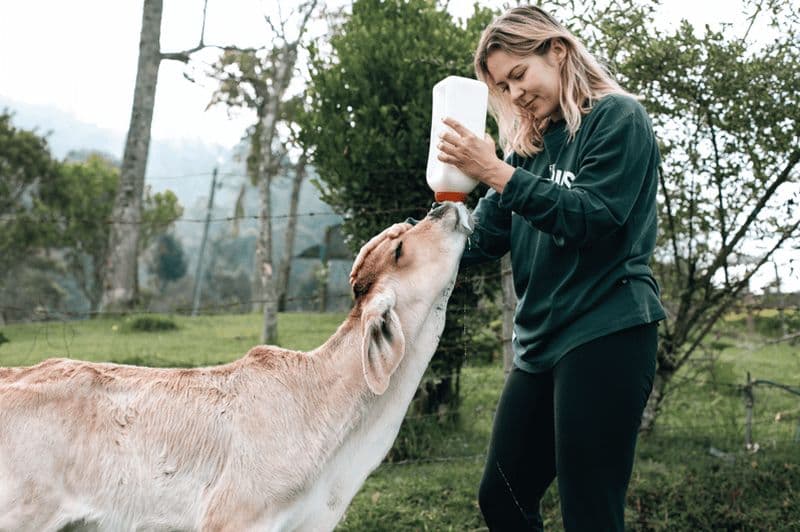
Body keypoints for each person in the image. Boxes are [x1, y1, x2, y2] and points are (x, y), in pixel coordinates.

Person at [351, 5, 665, 531]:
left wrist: (495, 171)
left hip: (607, 332)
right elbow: (481, 237)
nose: (515, 95)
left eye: (519, 74)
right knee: (502, 497)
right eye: (503, 86)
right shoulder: (530, 148)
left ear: (557, 52)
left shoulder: (618, 119)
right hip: (539, 345)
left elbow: (594, 218)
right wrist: (404, 239)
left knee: (591, 512)